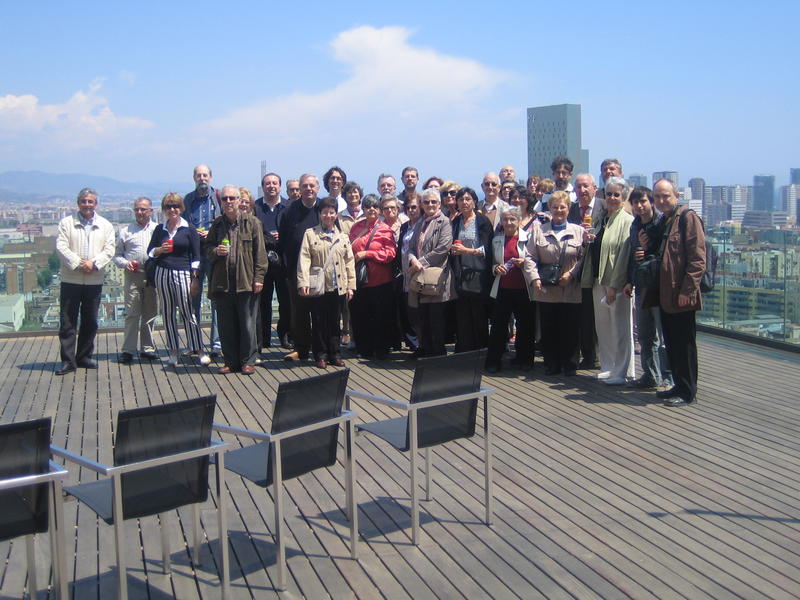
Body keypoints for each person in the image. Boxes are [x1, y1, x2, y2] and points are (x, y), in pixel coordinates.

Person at [652, 178, 706, 407]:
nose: (662, 200)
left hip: (682, 294)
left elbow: (697, 259)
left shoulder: (687, 218)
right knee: (672, 342)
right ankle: (677, 384)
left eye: (666, 196)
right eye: (658, 197)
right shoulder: (665, 220)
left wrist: (688, 290)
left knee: (684, 344)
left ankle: (687, 391)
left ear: (677, 196)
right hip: (666, 295)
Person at [206, 186, 267, 375]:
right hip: (223, 281)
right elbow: (207, 250)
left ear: (240, 200)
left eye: (232, 198)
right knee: (226, 324)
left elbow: (261, 254)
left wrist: (259, 277)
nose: (229, 201)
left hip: (246, 281)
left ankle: (248, 360)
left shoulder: (253, 223)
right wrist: (216, 251)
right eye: (225, 198)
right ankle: (230, 361)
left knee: (247, 323)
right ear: (221, 202)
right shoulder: (217, 224)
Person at [55, 188, 116, 375]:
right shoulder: (66, 223)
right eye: (84, 201)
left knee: (90, 321)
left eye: (91, 201)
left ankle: (84, 356)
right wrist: (79, 263)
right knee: (67, 321)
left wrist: (94, 264)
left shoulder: (105, 225)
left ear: (96, 204)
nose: (87, 205)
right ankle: (68, 360)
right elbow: (61, 246)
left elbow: (109, 249)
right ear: (78, 203)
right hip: (71, 279)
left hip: (94, 280)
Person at [580, 177, 635, 385]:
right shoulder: (602, 218)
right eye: (609, 194)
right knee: (603, 326)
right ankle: (609, 367)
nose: (611, 198)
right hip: (598, 278)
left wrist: (615, 285)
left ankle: (623, 371)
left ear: (624, 197)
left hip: (616, 283)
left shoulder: (626, 221)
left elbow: (624, 256)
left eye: (616, 194)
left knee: (620, 328)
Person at [148, 192, 210, 367]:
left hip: (183, 273)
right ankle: (174, 351)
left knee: (188, 312)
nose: (172, 209)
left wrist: (195, 278)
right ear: (164, 209)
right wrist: (160, 249)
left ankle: (199, 349)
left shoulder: (189, 229)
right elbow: (150, 252)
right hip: (163, 272)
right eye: (168, 206)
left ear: (181, 208)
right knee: (168, 314)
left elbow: (196, 256)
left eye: (175, 206)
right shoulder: (160, 230)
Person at [528, 192, 585, 376]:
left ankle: (569, 363)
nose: (559, 210)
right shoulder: (539, 231)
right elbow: (529, 257)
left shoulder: (579, 231)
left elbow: (584, 258)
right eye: (555, 207)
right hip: (547, 288)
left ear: (568, 208)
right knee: (549, 327)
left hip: (570, 287)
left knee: (570, 327)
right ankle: (551, 363)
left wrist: (572, 273)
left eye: (562, 207)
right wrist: (534, 277)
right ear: (549, 209)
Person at [622, 186, 672, 389]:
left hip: (659, 287)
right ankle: (650, 375)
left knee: (663, 336)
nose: (639, 206)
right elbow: (633, 256)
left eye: (643, 201)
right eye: (635, 202)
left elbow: (664, 254)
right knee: (645, 334)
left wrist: (647, 247)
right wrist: (629, 281)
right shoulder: (634, 226)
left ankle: (668, 377)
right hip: (642, 286)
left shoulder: (662, 223)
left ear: (651, 202)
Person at [297, 197, 356, 368]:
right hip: (319, 285)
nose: (328, 215)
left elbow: (349, 261)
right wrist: (303, 282)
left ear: (336, 214)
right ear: (319, 214)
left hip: (338, 285)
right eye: (324, 212)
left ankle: (335, 353)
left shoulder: (343, 236)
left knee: (334, 321)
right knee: (318, 321)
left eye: (331, 212)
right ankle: (320, 355)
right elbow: (304, 258)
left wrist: (351, 286)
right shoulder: (310, 234)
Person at [486, 209, 535, 373]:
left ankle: (525, 360)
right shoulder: (497, 240)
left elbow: (535, 260)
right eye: (505, 220)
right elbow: (492, 263)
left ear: (519, 220)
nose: (508, 223)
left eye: (512, 219)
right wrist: (496, 268)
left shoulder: (528, 238)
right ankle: (494, 361)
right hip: (503, 288)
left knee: (525, 326)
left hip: (523, 288)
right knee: (498, 327)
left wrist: (524, 263)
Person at [407, 188, 454, 357]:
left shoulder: (445, 222)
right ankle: (427, 353)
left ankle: (438, 356)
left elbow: (443, 248)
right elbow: (411, 247)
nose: (430, 205)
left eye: (434, 202)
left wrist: (420, 262)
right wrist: (412, 259)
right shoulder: (421, 222)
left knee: (436, 320)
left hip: (436, 279)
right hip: (420, 277)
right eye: (426, 202)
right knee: (423, 318)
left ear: (439, 203)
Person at [349, 194, 397, 359]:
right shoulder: (356, 227)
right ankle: (364, 349)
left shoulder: (385, 229)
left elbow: (390, 254)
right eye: (368, 206)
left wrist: (367, 254)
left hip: (380, 281)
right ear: (363, 209)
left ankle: (381, 349)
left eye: (375, 206)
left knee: (380, 317)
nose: (371, 209)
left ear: (379, 210)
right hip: (360, 281)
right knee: (360, 316)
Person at [280, 173, 321, 361]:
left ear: (318, 188)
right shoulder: (289, 211)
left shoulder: (324, 208)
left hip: (321, 271)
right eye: (305, 186)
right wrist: (288, 270)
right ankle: (302, 349)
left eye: (312, 186)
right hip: (296, 272)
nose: (308, 189)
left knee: (321, 312)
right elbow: (284, 242)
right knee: (300, 313)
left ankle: (322, 349)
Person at [113, 196, 158, 364]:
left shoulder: (157, 229)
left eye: (143, 209)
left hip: (152, 277)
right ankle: (128, 350)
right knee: (132, 314)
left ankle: (148, 348)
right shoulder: (126, 231)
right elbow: (116, 255)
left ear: (150, 211)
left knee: (150, 314)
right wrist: (126, 264)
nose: (139, 212)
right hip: (133, 276)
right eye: (137, 209)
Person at [182, 164, 221, 355]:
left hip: (214, 252)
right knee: (193, 298)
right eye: (198, 175)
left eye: (205, 175)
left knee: (216, 298)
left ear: (211, 177)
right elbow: (182, 225)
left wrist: (211, 232)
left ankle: (216, 344)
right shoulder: (188, 200)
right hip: (194, 253)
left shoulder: (219, 198)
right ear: (194, 178)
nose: (202, 178)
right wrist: (192, 231)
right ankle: (194, 343)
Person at [568, 174, 605, 369]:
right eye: (579, 187)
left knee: (597, 313)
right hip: (576, 268)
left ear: (594, 188)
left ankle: (599, 355)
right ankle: (588, 354)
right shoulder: (572, 209)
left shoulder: (605, 206)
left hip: (598, 268)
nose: (582, 190)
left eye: (586, 186)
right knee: (583, 315)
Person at [450, 187, 493, 352]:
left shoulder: (482, 221)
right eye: (461, 199)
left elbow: (487, 250)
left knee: (479, 316)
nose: (464, 202)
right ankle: (465, 351)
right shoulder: (456, 221)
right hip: (461, 274)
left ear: (475, 201)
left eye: (468, 199)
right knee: (462, 317)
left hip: (479, 275)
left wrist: (466, 251)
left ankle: (481, 351)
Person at [254, 173, 290, 349]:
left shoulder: (288, 206)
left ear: (280, 186)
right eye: (267, 183)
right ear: (263, 187)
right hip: (263, 261)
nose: (271, 186)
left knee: (285, 301)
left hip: (283, 261)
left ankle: (284, 336)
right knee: (263, 303)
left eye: (275, 183)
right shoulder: (256, 207)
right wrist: (268, 237)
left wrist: (283, 236)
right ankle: (264, 338)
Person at [397, 195, 423, 351]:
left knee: (420, 314)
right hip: (406, 276)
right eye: (409, 208)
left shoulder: (424, 225)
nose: (411, 210)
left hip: (419, 273)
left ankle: (424, 346)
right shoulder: (405, 226)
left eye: (414, 207)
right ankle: (417, 346)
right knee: (411, 313)